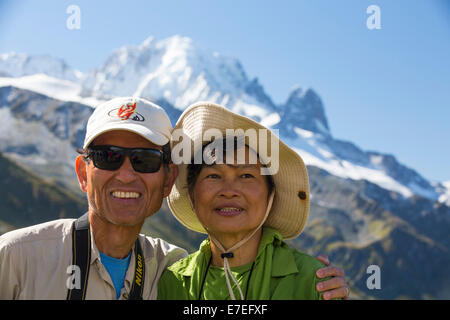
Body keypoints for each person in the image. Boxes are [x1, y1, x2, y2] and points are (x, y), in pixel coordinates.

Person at [0, 97, 349, 300]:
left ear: (168, 180)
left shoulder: (168, 271)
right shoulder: (16, 259)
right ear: (82, 172)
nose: (126, 174)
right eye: (108, 156)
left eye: (145, 160)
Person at [158, 101, 349, 300]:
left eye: (246, 176)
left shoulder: (314, 282)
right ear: (192, 195)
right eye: (213, 176)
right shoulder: (173, 283)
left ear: (271, 195)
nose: (229, 191)